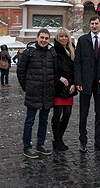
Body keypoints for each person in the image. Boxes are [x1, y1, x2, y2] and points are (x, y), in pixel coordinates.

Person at [17, 28, 61, 158]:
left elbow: (55, 70)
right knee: (29, 121)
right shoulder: (28, 52)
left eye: (46, 38)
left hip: (47, 92)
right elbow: (21, 71)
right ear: (37, 38)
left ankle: (40, 145)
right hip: (33, 92)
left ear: (49, 39)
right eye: (42, 38)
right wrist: (27, 87)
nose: (44, 40)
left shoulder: (52, 52)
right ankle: (27, 146)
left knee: (44, 121)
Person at [74, 16, 100, 152]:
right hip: (85, 82)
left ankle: (98, 140)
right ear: (89, 25)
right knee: (83, 113)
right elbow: (77, 62)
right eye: (92, 24)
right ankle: (83, 141)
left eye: (97, 23)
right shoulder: (82, 40)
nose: (94, 26)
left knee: (99, 114)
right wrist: (78, 81)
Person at [52, 28, 77, 151]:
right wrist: (59, 78)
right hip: (58, 87)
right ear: (57, 37)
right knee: (57, 114)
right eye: (61, 36)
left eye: (65, 36)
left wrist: (73, 83)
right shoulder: (53, 50)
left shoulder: (71, 49)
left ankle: (58, 138)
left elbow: (75, 69)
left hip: (69, 88)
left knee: (67, 114)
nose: (63, 39)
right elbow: (51, 69)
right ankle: (57, 140)